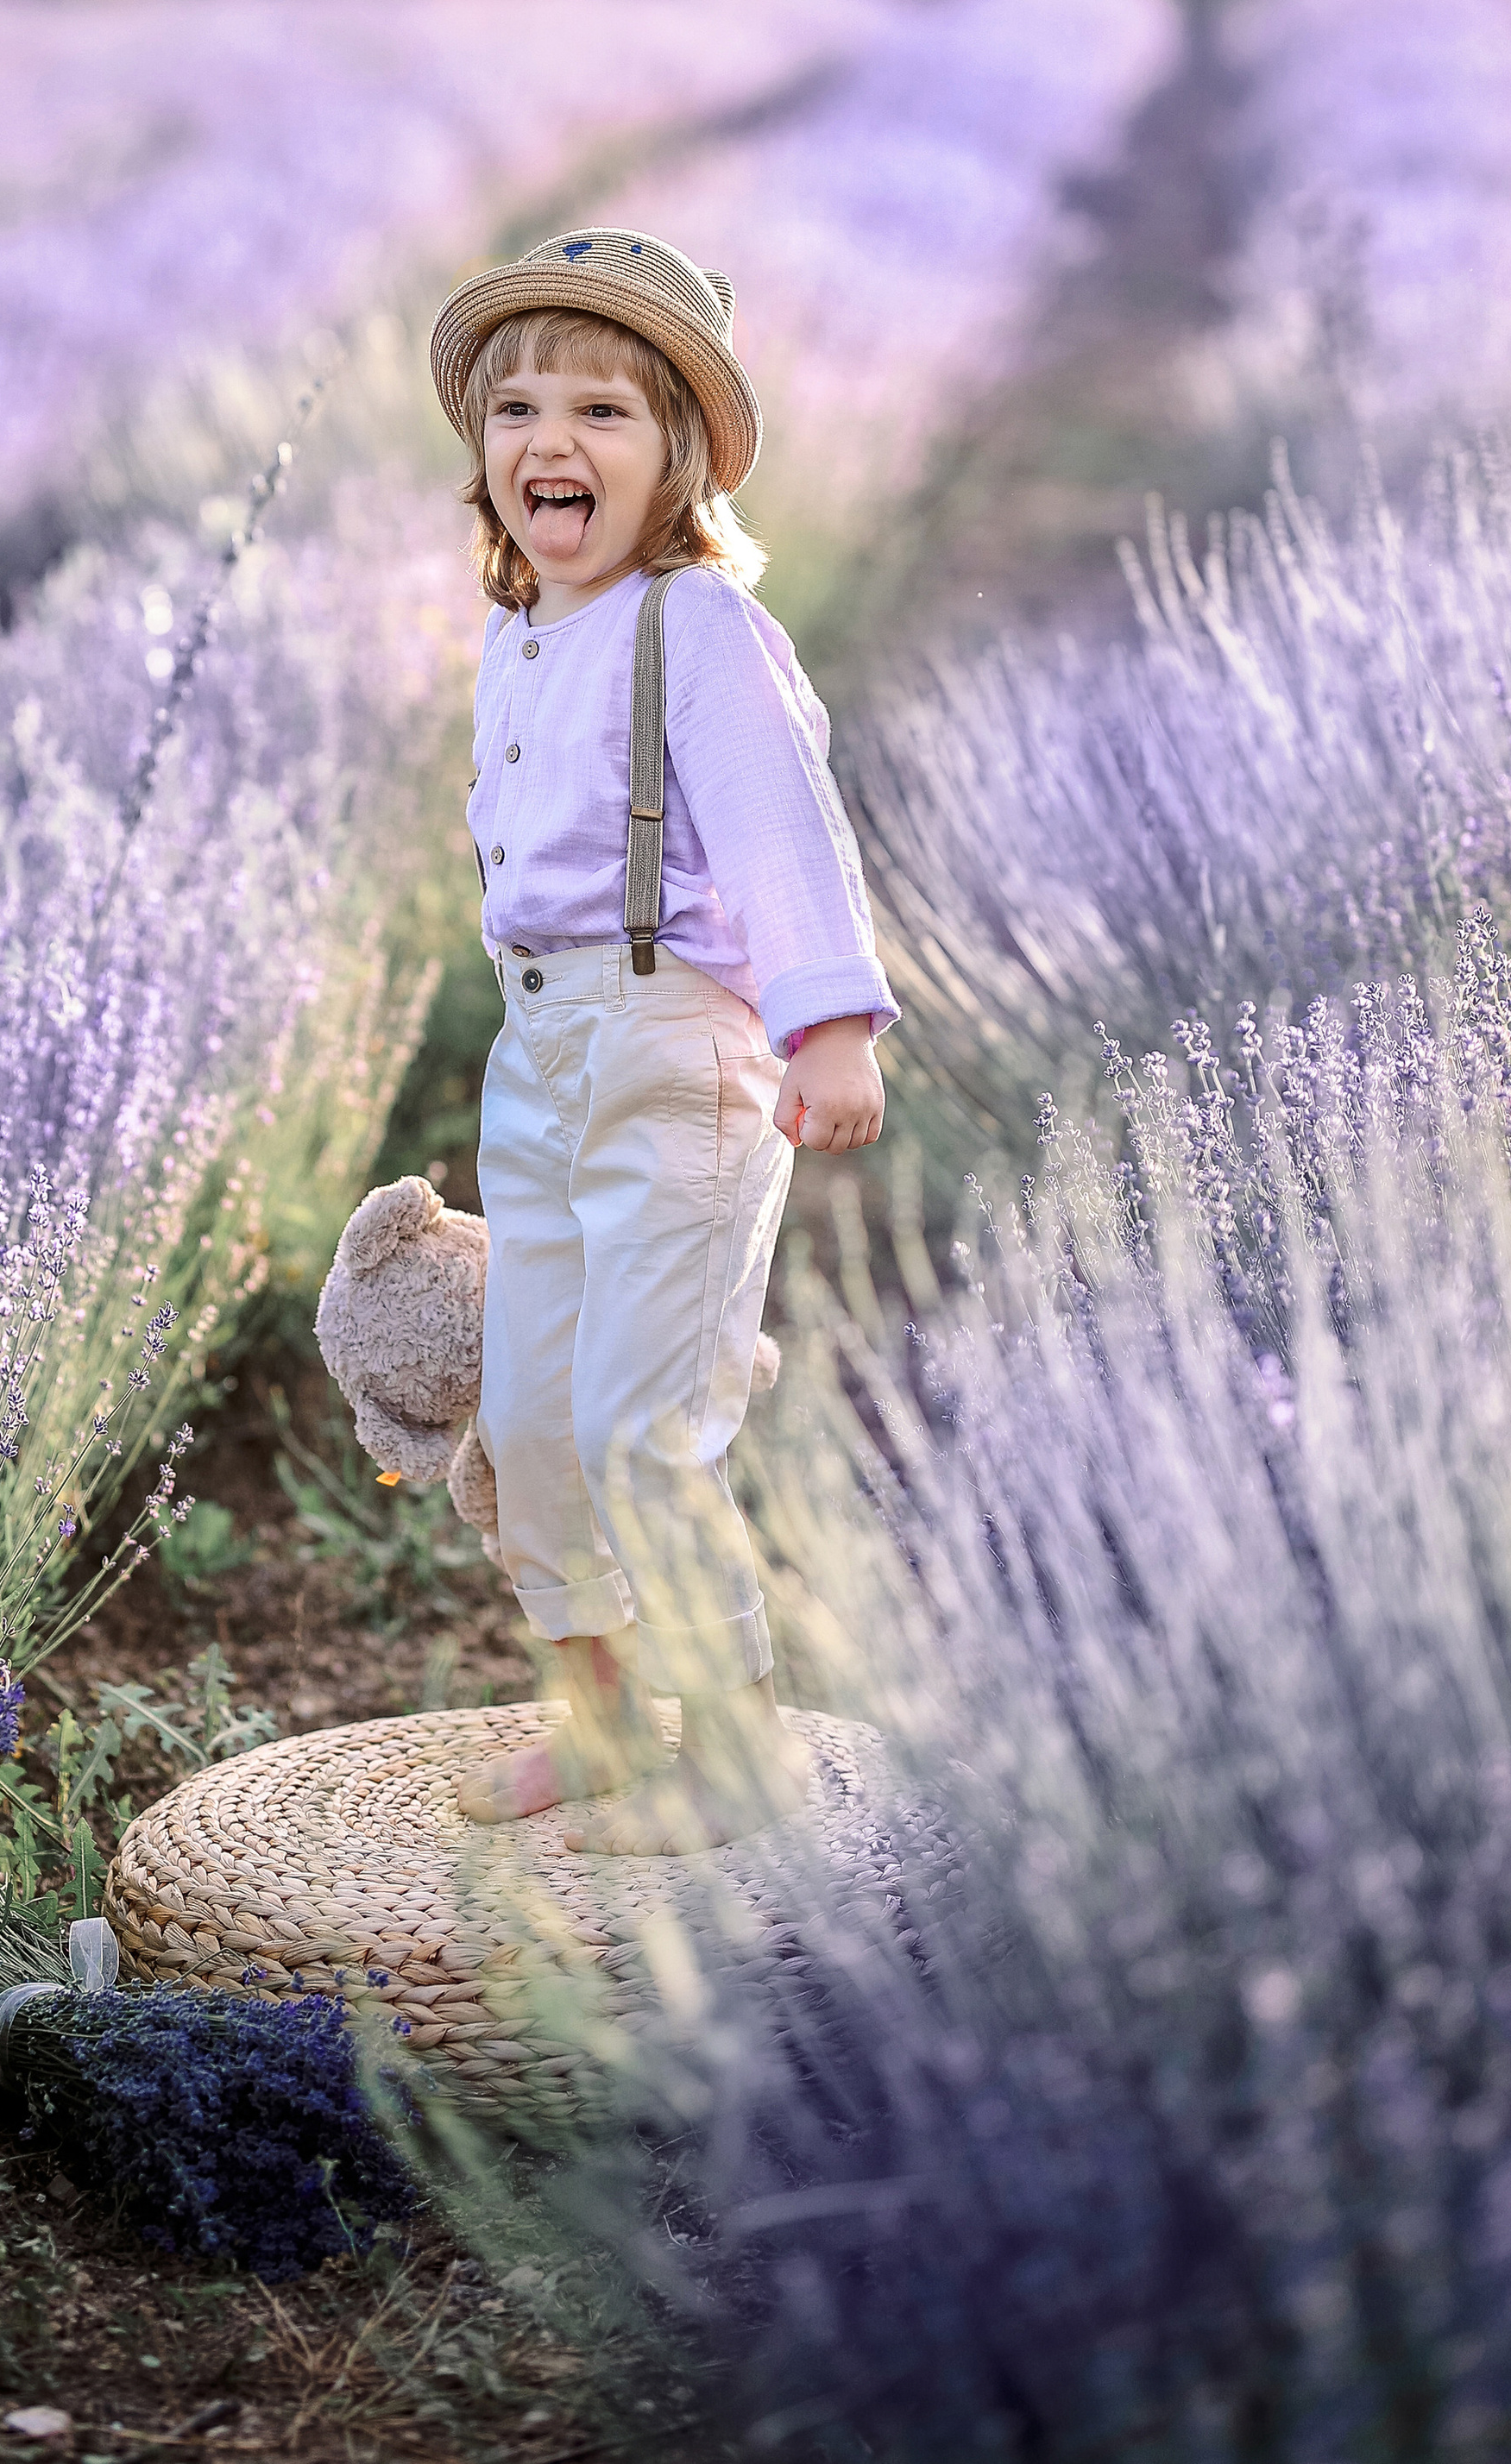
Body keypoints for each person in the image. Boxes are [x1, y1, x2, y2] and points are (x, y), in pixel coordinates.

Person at [427, 227, 896, 1855]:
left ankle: (746, 1751)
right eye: (518, 414)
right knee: (535, 1411)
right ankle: (603, 1714)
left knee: (645, 1415)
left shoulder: (694, 627)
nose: (551, 445)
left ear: (677, 456)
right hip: (541, 1049)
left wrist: (826, 1026)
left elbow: (780, 830)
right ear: (485, 455)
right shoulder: (521, 630)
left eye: (603, 416)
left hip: (680, 1055)